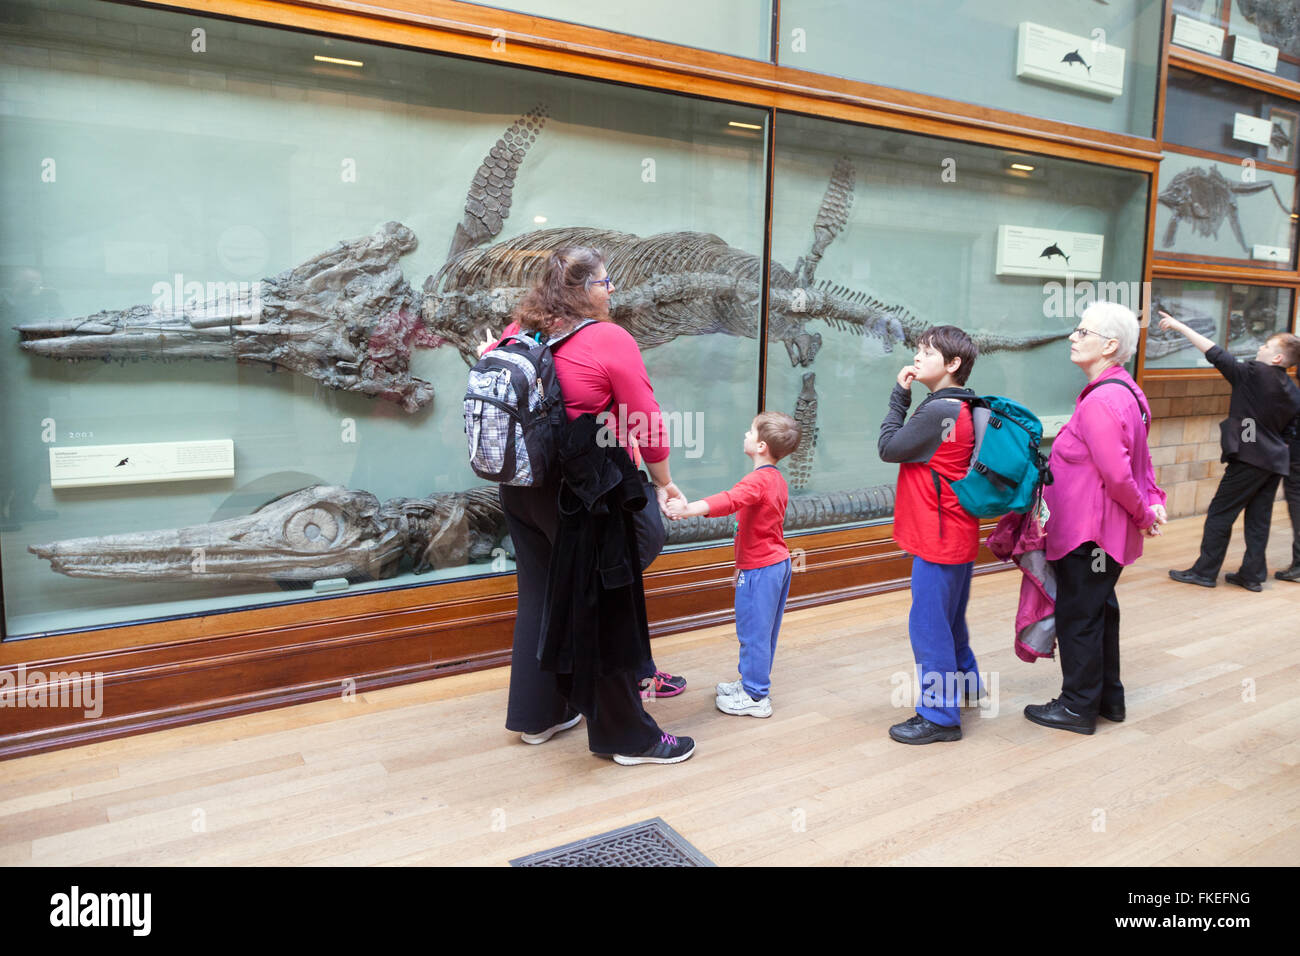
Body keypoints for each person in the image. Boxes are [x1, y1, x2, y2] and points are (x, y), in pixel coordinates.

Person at [490, 246, 695, 765]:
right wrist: (664, 482)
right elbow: (645, 418)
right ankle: (627, 737)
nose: (611, 292)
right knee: (606, 606)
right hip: (585, 492)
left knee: (540, 595)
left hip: (521, 485)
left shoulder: (520, 331)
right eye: (607, 283)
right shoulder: (607, 337)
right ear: (586, 289)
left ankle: (541, 715)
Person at [1024, 302, 1166, 736]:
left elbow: (1120, 472)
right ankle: (1107, 700)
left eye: (1083, 332)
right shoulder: (1125, 390)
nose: (1073, 337)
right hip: (1100, 534)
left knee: (1079, 616)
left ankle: (1077, 708)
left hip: (1090, 536)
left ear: (1110, 345)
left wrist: (1144, 511)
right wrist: (1152, 500)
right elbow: (1140, 462)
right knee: (1098, 609)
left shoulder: (1103, 400)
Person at [877, 325, 981, 744]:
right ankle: (968, 686)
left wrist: (898, 396)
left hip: (938, 537)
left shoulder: (941, 411)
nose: (917, 357)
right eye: (917, 350)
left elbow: (888, 447)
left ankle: (939, 716)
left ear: (953, 364)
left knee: (928, 626)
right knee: (949, 620)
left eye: (928, 352)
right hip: (957, 533)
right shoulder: (963, 405)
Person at [664, 412, 801, 718]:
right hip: (773, 565)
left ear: (762, 445)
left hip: (762, 571)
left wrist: (687, 510)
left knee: (753, 632)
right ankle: (750, 683)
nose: (745, 434)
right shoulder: (775, 479)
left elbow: (730, 500)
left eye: (750, 431)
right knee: (761, 631)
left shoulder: (758, 481)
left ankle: (755, 696)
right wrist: (741, 565)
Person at [1160, 316, 1300, 592]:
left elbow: (1214, 353)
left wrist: (1180, 327)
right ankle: (1252, 575)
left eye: (1266, 346)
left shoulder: (1253, 374)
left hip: (1250, 459)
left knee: (1219, 513)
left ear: (1278, 357)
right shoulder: (1293, 391)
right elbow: (1289, 432)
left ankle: (1205, 571)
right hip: (1274, 463)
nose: (1260, 348)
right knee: (1259, 518)